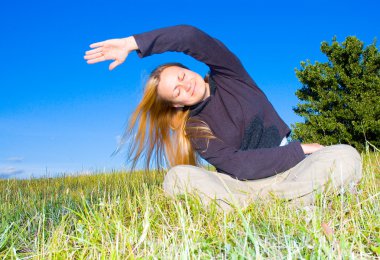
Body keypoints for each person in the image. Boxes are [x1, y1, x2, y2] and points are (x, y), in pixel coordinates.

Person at [84, 25, 362, 212]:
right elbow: (237, 165)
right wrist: (300, 148)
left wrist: (133, 44)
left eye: (181, 77)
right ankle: (288, 204)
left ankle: (262, 209)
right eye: (176, 91)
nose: (184, 86)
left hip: (292, 171)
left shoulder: (230, 75)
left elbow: (191, 38)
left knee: (346, 156)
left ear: (189, 68)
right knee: (177, 179)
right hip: (242, 186)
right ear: (177, 104)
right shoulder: (195, 128)